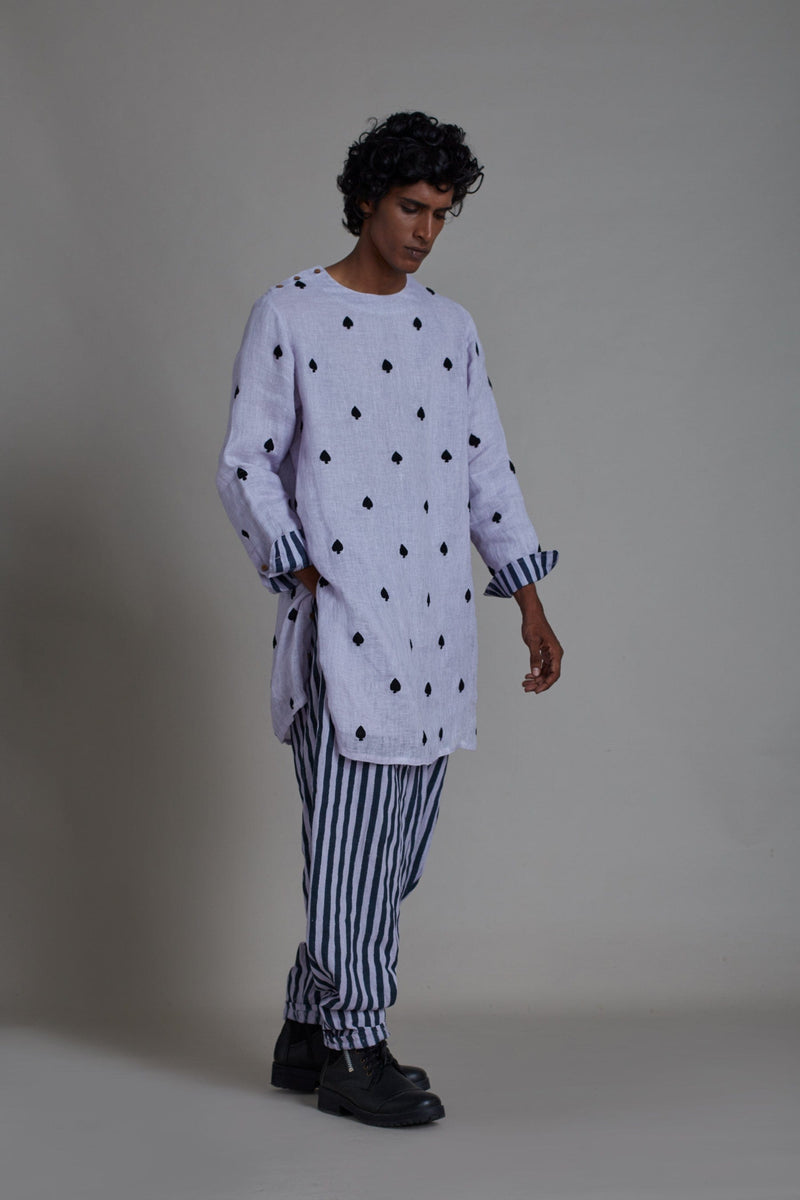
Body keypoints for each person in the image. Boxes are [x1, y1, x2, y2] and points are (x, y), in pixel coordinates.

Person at [216, 111, 562, 1128]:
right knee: (351, 860)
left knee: (389, 860)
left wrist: (529, 601)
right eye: (411, 207)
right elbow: (245, 461)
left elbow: (485, 469)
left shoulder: (450, 330)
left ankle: (302, 1028)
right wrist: (297, 564)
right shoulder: (290, 314)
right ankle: (353, 1048)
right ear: (365, 198)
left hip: (437, 631)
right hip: (344, 637)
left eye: (441, 215)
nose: (425, 231)